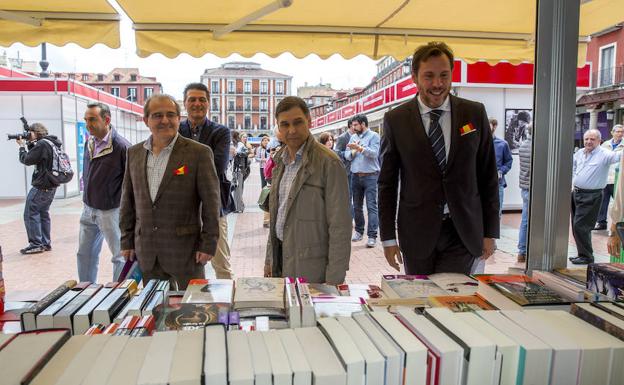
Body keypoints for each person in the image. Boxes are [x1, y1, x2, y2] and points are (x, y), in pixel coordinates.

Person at [378, 41, 499, 275]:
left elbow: (488, 176)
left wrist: (490, 232)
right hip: (416, 233)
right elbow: (387, 184)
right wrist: (388, 238)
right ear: (414, 77)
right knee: (420, 301)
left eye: (444, 75)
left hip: (463, 232)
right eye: (429, 76)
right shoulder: (396, 119)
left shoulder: (474, 112)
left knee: (452, 300)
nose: (437, 84)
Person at [119, 94, 221, 290]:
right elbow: (128, 200)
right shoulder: (134, 153)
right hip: (147, 250)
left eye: (171, 115)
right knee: (156, 310)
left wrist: (208, 243)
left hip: (186, 252)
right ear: (146, 120)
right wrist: (126, 240)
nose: (165, 120)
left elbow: (211, 203)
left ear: (178, 118)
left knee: (192, 312)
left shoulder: (198, 153)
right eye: (157, 115)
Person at [264, 96, 351, 284]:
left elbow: (340, 226)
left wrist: (335, 279)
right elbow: (277, 216)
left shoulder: (329, 163)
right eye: (285, 124)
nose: (292, 130)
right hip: (281, 261)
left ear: (309, 121)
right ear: (278, 128)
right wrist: (270, 259)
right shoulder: (279, 160)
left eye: (298, 122)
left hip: (312, 269)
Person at [178, 82, 234, 279]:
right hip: (183, 208)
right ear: (185, 103)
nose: (197, 103)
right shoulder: (176, 130)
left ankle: (226, 307)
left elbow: (217, 167)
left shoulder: (221, 132)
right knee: (187, 262)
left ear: (209, 104)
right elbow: (171, 167)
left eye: (202, 99)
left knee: (222, 265)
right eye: (192, 99)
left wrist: (183, 168)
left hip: (214, 206)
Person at [77, 102, 130, 282]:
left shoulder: (122, 147)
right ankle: (85, 290)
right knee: (84, 254)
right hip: (88, 208)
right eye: (86, 120)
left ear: (106, 119)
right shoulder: (89, 143)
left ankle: (119, 295)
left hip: (110, 210)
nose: (88, 124)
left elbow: (129, 182)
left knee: (119, 256)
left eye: (92, 119)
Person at [570, 128, 621, 265]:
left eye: (592, 139)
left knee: (581, 226)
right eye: (586, 139)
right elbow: (573, 167)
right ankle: (582, 254)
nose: (588, 141)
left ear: (599, 141)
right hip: (576, 193)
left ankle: (587, 256)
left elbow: (619, 156)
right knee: (576, 226)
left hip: (591, 196)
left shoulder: (605, 154)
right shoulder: (580, 153)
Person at [17, 123, 62, 254]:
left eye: (30, 133)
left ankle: (36, 244)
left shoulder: (42, 144)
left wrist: (21, 147)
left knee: (30, 212)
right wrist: (30, 143)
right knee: (43, 214)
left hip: (42, 185)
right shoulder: (51, 142)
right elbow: (37, 158)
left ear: (36, 132)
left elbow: (26, 159)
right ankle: (45, 243)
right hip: (51, 185)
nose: (28, 135)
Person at [344, 114, 380, 248]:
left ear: (363, 124)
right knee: (357, 206)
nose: (353, 127)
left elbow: (374, 153)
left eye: (355, 125)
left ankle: (372, 236)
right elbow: (347, 155)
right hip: (355, 176)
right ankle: (359, 231)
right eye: (352, 125)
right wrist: (352, 152)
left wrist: (360, 148)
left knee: (371, 206)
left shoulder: (374, 136)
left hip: (370, 176)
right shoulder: (353, 137)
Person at [595, 124, 624, 230]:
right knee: (603, 201)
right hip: (606, 178)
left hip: (618, 179)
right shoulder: (605, 144)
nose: (620, 133)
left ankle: (619, 224)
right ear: (612, 132)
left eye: (622, 131)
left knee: (619, 203)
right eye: (618, 131)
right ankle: (601, 222)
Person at [517, 123, 533, 264]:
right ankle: (525, 251)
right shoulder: (536, 147)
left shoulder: (523, 145)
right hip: (533, 188)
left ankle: (521, 252)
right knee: (529, 221)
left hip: (525, 187)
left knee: (525, 220)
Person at [491, 118, 513, 217]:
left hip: (497, 184)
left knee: (496, 213)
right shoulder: (479, 143)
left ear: (494, 126)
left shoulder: (503, 144)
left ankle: (495, 233)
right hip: (480, 185)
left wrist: (501, 171)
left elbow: (509, 161)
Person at [335, 118, 355, 217]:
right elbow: (337, 153)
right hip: (347, 171)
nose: (356, 127)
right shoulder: (343, 137)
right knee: (348, 196)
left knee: (355, 198)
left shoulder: (358, 137)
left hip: (357, 171)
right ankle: (349, 219)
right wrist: (349, 154)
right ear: (350, 125)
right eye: (355, 125)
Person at [231, 131, 250, 213]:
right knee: (236, 188)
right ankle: (238, 206)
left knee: (238, 188)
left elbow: (246, 153)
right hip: (234, 169)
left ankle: (238, 207)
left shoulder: (240, 145)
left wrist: (237, 153)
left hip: (239, 169)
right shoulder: (234, 145)